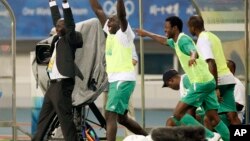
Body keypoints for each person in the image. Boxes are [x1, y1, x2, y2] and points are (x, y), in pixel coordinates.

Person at [135, 16, 229, 141]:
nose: (165, 30)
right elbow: (163, 40)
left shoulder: (183, 40)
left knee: (178, 115)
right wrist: (146, 33)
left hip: (200, 82)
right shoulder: (175, 41)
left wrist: (192, 56)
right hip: (209, 80)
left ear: (175, 28)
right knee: (213, 118)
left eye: (167, 28)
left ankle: (210, 137)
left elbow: (192, 49)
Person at [89, 0, 148, 140]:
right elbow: (98, 10)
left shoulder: (125, 34)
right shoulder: (109, 33)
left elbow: (122, 15)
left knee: (110, 114)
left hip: (123, 80)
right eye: (107, 21)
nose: (108, 22)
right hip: (116, 81)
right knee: (122, 119)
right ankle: (150, 137)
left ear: (120, 24)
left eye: (112, 20)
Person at [32, 0, 83, 141]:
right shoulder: (57, 39)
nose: (57, 27)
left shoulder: (70, 39)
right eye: (57, 25)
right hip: (53, 85)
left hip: (63, 84)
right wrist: (52, 3)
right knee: (43, 121)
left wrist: (65, 4)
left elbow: (69, 22)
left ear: (67, 27)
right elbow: (57, 19)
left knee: (65, 120)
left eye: (61, 25)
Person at [187, 15, 241, 126]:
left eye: (189, 27)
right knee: (233, 116)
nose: (189, 30)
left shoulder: (202, 39)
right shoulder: (213, 36)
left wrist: (215, 88)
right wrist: (194, 56)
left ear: (193, 27)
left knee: (204, 116)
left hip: (217, 80)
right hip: (228, 79)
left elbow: (211, 62)